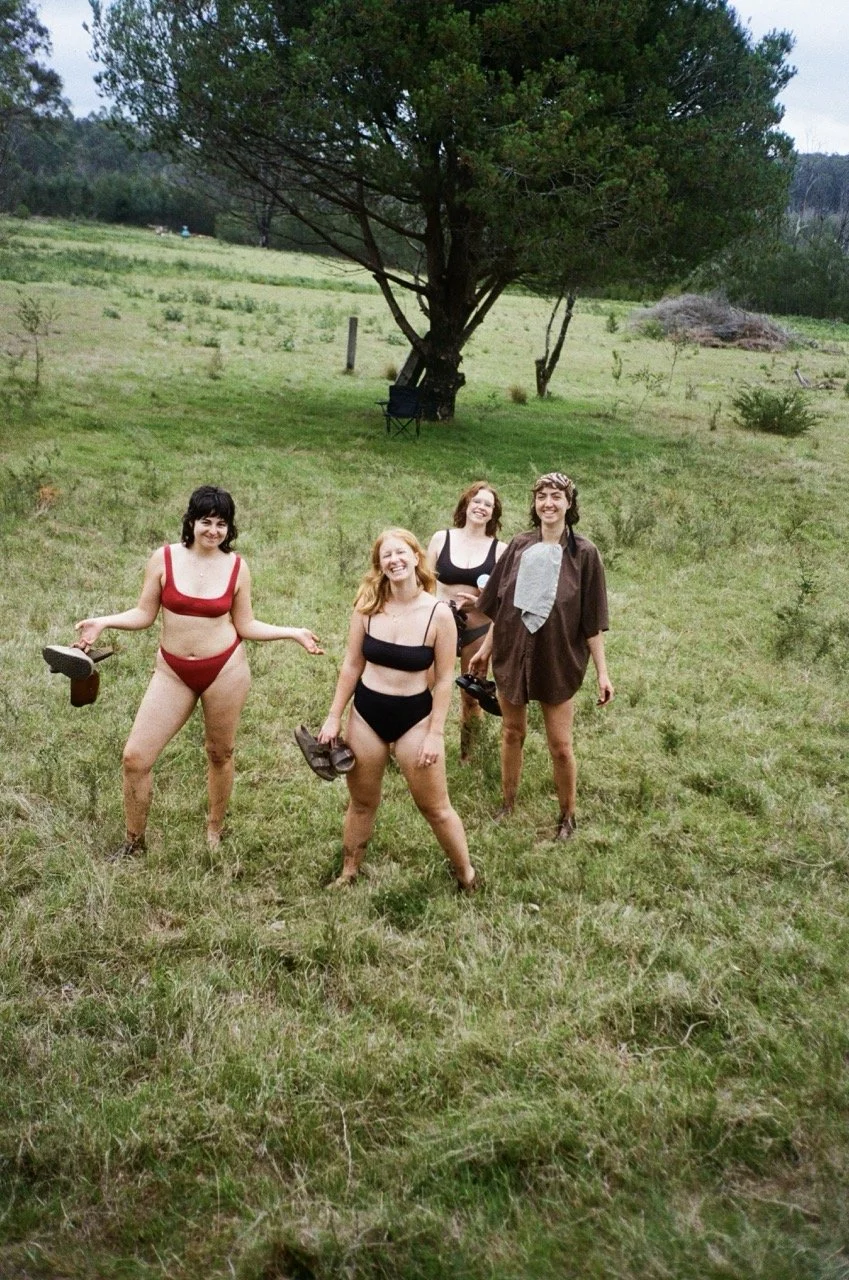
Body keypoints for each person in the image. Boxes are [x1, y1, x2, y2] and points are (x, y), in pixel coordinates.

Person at [72, 485, 322, 857]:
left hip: (224, 669)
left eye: (222, 524)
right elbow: (144, 614)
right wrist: (102, 623)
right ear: (191, 521)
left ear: (229, 528)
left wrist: (293, 632)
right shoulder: (164, 558)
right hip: (172, 671)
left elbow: (246, 624)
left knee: (219, 753)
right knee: (135, 757)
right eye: (206, 521)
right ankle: (134, 842)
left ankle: (215, 828)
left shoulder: (237, 567)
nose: (213, 530)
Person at [318, 528, 476, 891]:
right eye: (387, 555)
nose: (395, 560)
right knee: (361, 802)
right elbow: (351, 665)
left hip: (415, 719)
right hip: (367, 714)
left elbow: (443, 680)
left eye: (401, 553)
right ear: (380, 565)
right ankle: (349, 871)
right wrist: (333, 716)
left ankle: (466, 874)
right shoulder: (367, 605)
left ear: (416, 556)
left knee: (435, 808)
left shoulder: (439, 614)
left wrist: (435, 735)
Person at [470, 472, 613, 840]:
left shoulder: (585, 554)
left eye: (556, 496)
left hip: (558, 658)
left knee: (561, 746)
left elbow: (592, 621)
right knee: (511, 732)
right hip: (513, 653)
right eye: (541, 496)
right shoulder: (518, 546)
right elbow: (501, 607)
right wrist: (485, 650)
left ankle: (567, 816)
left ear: (569, 503)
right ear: (534, 504)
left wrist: (602, 673)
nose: (548, 503)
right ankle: (507, 804)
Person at [425, 482, 507, 760]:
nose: (481, 507)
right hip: (438, 626)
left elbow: (506, 600)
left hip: (478, 629)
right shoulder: (441, 538)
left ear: (493, 514)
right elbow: (422, 584)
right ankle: (402, 746)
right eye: (477, 501)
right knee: (419, 689)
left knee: (472, 695)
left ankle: (468, 757)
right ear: (466, 505)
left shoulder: (500, 550)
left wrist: (483, 601)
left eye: (488, 505)